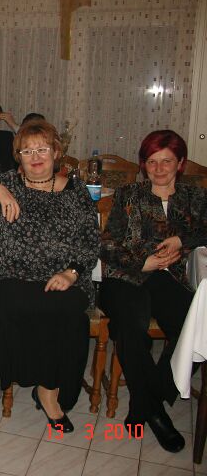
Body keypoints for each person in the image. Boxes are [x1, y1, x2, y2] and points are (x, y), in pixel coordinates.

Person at [0, 120, 99, 433]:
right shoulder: (9, 181)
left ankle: (49, 388)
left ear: (56, 152)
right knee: (12, 304)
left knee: (69, 312)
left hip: (64, 275)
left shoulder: (76, 191)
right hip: (14, 275)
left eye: (42, 149)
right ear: (18, 156)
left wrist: (71, 273)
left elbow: (90, 240)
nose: (35, 157)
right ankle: (42, 384)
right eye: (27, 151)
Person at [99, 130, 207, 452]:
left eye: (167, 161)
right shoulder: (128, 194)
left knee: (196, 328)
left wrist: (182, 239)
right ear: (143, 164)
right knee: (130, 328)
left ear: (180, 163)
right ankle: (156, 414)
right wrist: (140, 262)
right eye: (152, 162)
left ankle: (145, 403)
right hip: (126, 276)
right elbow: (107, 244)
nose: (159, 169)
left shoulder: (195, 197)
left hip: (169, 279)